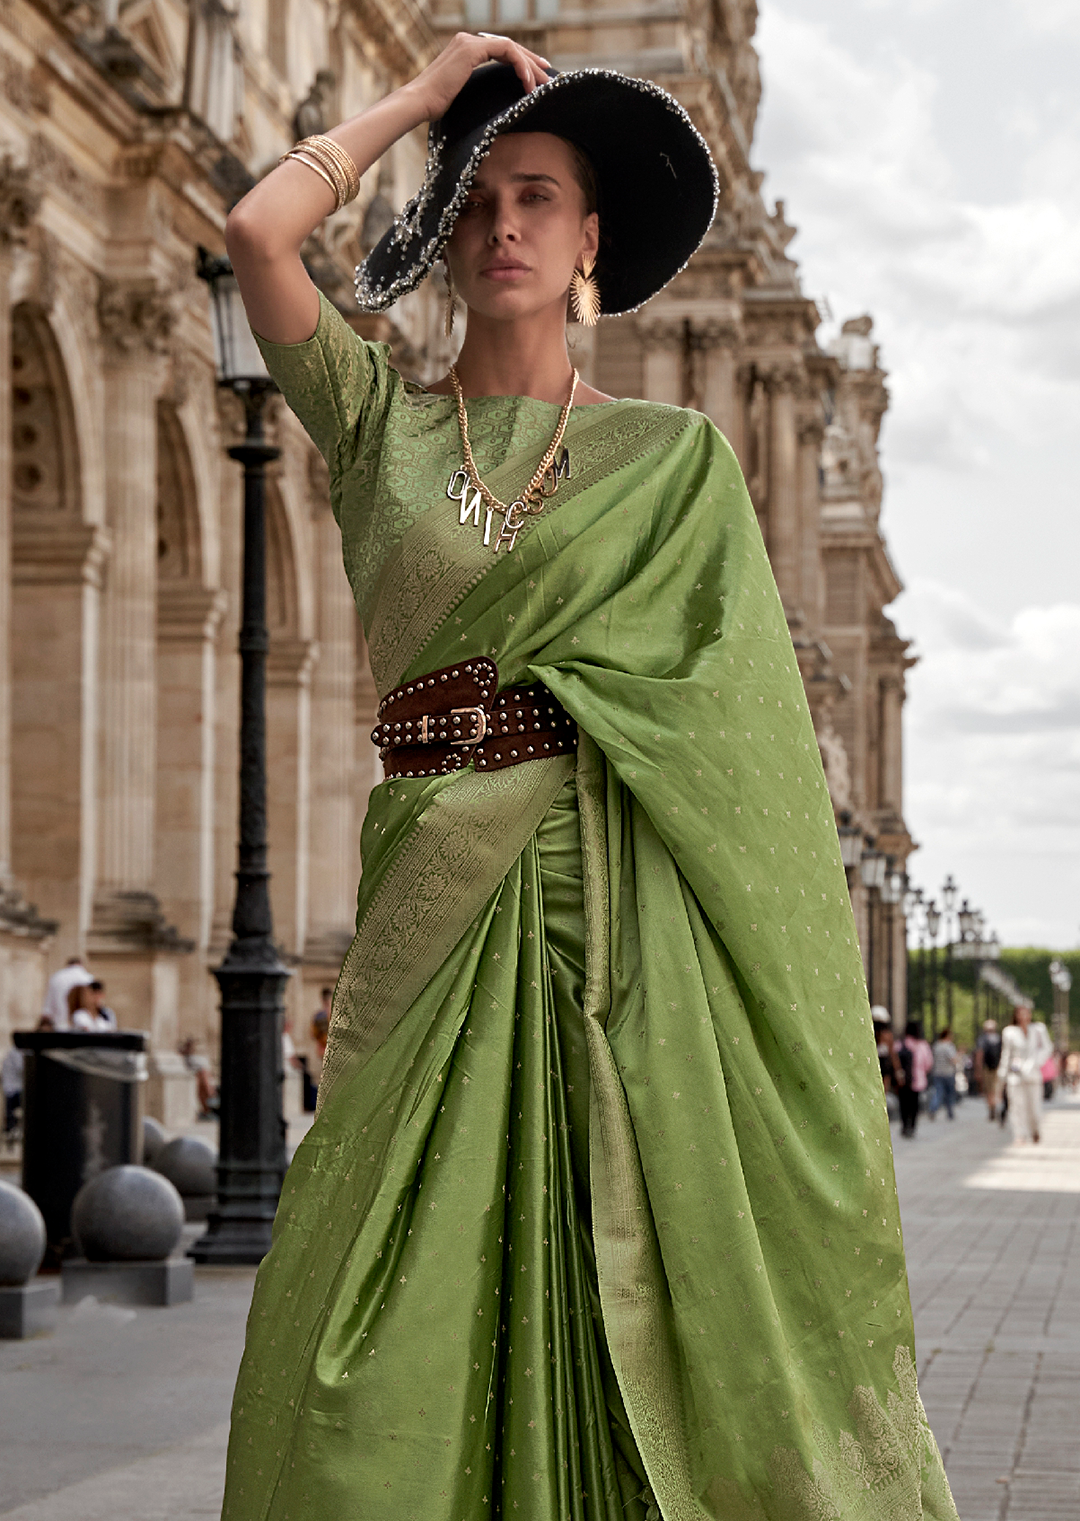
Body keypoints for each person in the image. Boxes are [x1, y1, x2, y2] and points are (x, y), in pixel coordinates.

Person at [218, 33, 957, 1521]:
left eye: (539, 198)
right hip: (431, 912)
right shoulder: (380, 428)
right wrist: (425, 103)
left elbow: (736, 750)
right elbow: (253, 234)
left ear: (590, 241)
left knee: (627, 1267)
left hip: (625, 936)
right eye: (478, 198)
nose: (504, 227)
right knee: (368, 1310)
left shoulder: (675, 463)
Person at [1001, 1003, 1053, 1145]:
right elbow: (1006, 1054)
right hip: (1015, 1076)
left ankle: (1035, 1129)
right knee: (1017, 1107)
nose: (1024, 1017)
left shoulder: (1038, 1029)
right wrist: (1002, 1076)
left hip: (1033, 1074)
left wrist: (1035, 1062)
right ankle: (1020, 1134)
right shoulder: (1009, 1032)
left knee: (1034, 1107)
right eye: (1021, 1013)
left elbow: (1047, 1048)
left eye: (1027, 1013)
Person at [896, 1020, 934, 1139]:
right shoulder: (922, 1045)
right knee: (914, 1104)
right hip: (917, 1080)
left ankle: (904, 1125)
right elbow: (928, 1064)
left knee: (903, 1104)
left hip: (902, 1080)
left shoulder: (899, 1044)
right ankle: (912, 1126)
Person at [40, 954, 93, 1031]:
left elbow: (48, 1008)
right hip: (82, 1028)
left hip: (60, 1026)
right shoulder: (88, 978)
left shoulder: (56, 977)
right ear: (81, 964)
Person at [975, 1017, 1003, 1121]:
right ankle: (994, 1105)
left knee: (989, 1090)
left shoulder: (982, 1039)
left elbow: (979, 1054)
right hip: (998, 1067)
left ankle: (991, 1106)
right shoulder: (999, 1038)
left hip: (987, 1068)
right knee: (996, 1089)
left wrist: (978, 1069)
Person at [929, 1025, 959, 1120]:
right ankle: (950, 1112)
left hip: (937, 1073)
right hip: (948, 1073)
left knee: (938, 1092)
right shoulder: (949, 1046)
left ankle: (933, 1108)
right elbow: (953, 1059)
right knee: (950, 1094)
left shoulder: (936, 1046)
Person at [2, 1038, 23, 1138]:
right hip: (14, 1087)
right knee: (12, 1113)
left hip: (12, 1087)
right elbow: (21, 1067)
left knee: (12, 1112)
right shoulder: (16, 1052)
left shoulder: (14, 1052)